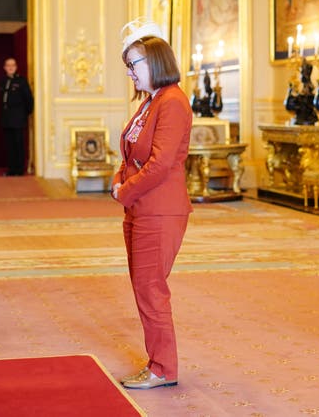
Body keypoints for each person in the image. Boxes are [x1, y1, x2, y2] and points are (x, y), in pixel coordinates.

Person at [112, 19, 193, 390]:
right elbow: (132, 153)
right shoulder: (151, 102)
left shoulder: (173, 102)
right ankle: (158, 363)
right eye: (128, 65)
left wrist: (124, 191)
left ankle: (162, 368)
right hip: (140, 208)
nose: (130, 72)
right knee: (144, 288)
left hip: (160, 210)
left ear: (156, 61)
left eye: (134, 65)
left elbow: (160, 164)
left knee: (151, 290)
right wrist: (120, 180)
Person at [0, 57, 33, 176]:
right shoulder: (3, 81)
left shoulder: (21, 81)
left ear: (16, 67)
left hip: (18, 119)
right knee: (10, 146)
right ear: (5, 68)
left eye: (13, 65)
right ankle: (11, 170)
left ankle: (19, 170)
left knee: (19, 145)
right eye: (8, 65)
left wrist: (24, 114)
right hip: (7, 119)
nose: (10, 67)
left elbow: (29, 100)